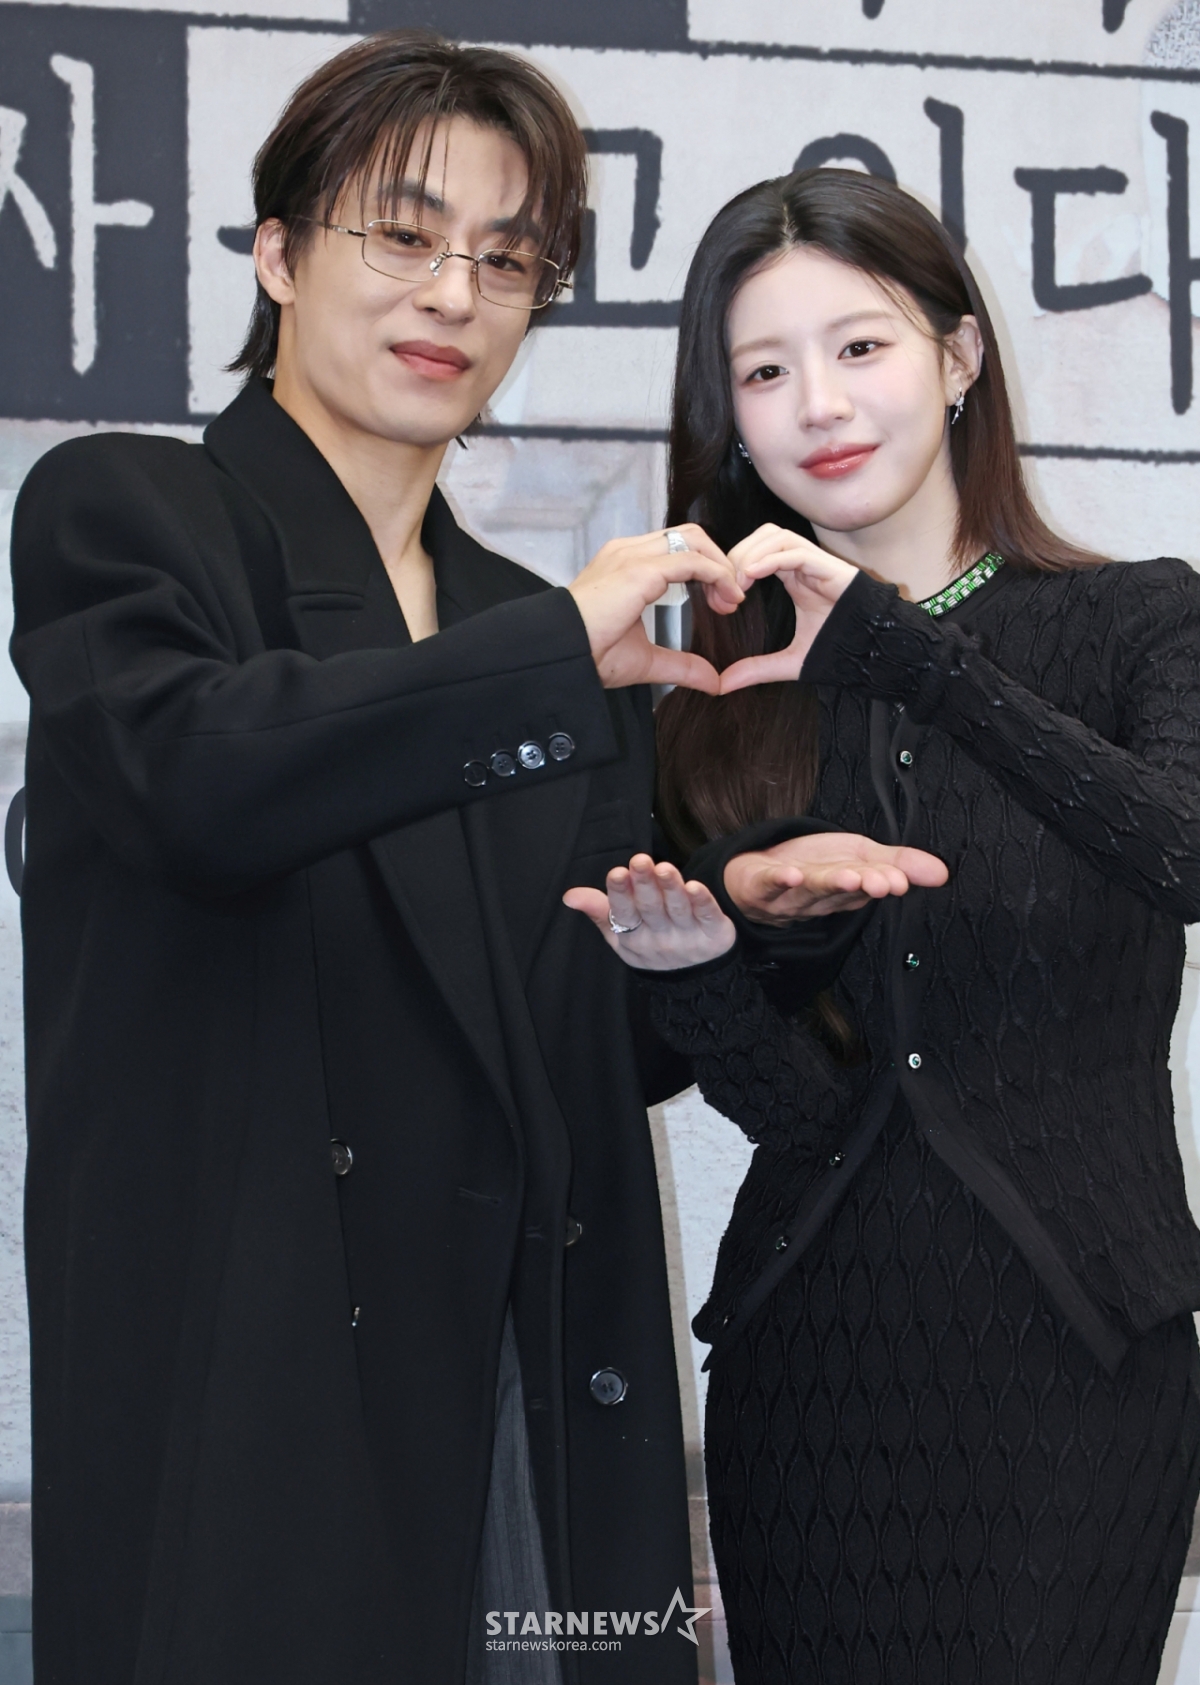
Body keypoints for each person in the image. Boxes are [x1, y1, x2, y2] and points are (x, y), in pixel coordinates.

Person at [8, 33, 759, 1685]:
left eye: (508, 258)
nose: (456, 293)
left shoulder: (522, 619)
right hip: (269, 1395)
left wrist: (736, 932)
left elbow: (571, 1036)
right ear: (278, 255)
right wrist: (560, 653)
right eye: (403, 236)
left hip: (535, 1386)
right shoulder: (127, 514)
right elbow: (207, 778)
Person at [566, 167, 1200, 1684]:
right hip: (817, 1357)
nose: (818, 404)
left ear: (959, 356)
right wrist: (720, 961)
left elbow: (1182, 849)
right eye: (764, 371)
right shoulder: (707, 696)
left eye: (861, 347)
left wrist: (909, 652)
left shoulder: (1139, 619)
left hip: (1086, 1354)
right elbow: (792, 1105)